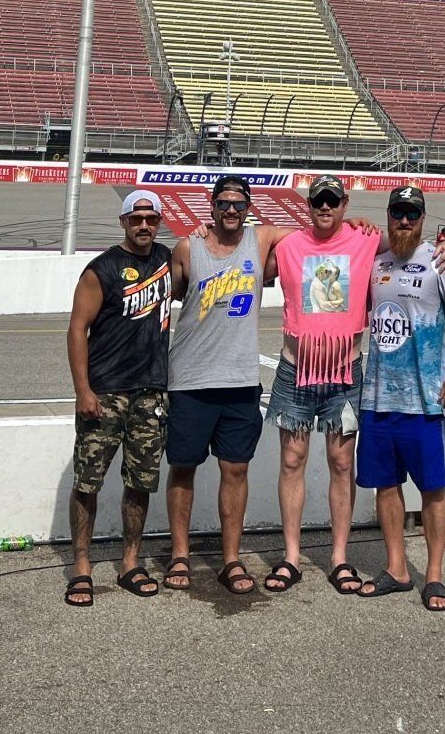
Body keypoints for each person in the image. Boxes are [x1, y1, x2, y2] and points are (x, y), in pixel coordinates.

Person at [162, 175, 289, 597]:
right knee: (183, 467)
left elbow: (320, 235)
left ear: (249, 207)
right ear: (211, 206)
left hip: (239, 380)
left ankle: (230, 558)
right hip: (190, 379)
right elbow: (175, 294)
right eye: (223, 203)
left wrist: (359, 223)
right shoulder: (188, 247)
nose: (231, 210)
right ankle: (180, 553)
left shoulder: (262, 239)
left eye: (238, 204)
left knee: (235, 469)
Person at [357, 185, 445, 612]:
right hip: (377, 397)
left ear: (423, 219)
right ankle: (397, 569)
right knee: (386, 486)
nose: (404, 221)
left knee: (432, 488)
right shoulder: (375, 261)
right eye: (398, 213)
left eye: (413, 214)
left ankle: (435, 576)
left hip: (425, 399)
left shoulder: (440, 262)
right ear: (388, 216)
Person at [264, 173, 376, 596]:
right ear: (308, 205)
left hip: (344, 375)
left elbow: (406, 247)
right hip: (295, 372)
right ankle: (291, 556)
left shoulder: (366, 240)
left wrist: (443, 247)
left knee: (342, 464)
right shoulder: (290, 245)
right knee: (292, 462)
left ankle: (339, 557)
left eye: (332, 200)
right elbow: (246, 245)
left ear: (345, 203)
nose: (325, 207)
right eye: (318, 201)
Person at [63, 189, 174, 608]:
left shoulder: (167, 260)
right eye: (136, 218)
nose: (143, 225)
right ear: (123, 222)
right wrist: (83, 390)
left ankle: (130, 561)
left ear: (159, 221)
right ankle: (82, 566)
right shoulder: (101, 269)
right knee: (88, 482)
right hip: (105, 392)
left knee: (141, 482)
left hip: (151, 392)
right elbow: (77, 329)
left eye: (150, 218)